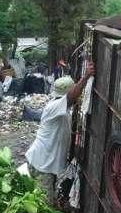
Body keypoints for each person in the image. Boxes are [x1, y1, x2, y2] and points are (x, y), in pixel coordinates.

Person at [25, 62, 95, 204]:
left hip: (45, 165)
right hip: (41, 165)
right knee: (44, 207)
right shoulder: (54, 107)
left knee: (43, 201)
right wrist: (86, 77)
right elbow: (71, 97)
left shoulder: (62, 111)